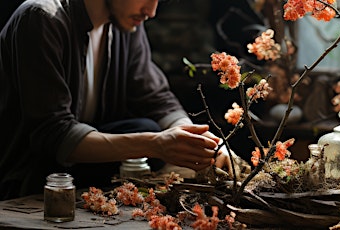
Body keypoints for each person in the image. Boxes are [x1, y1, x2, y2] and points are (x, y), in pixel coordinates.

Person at [0, 0, 232, 200]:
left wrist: (196, 138)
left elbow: (156, 97)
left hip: (80, 164)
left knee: (144, 129)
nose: (151, 12)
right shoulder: (42, 18)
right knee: (148, 137)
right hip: (31, 171)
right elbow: (54, 134)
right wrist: (157, 144)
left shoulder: (125, 23)